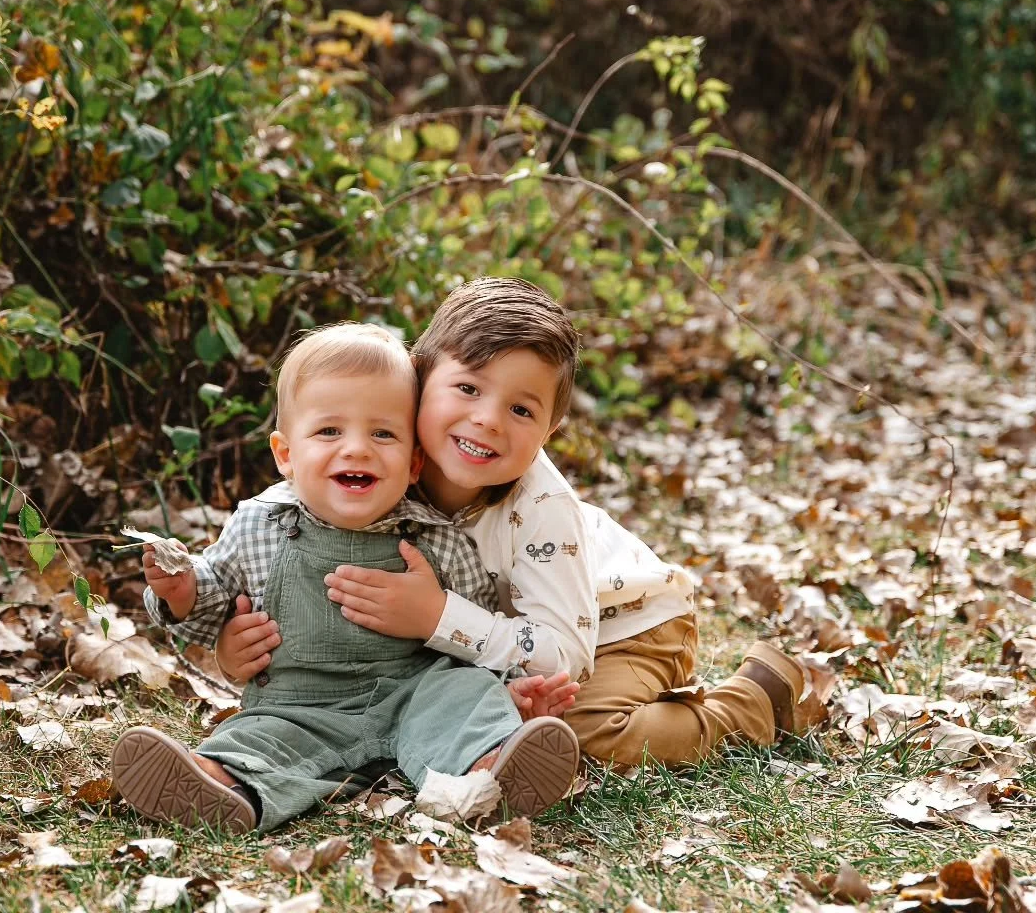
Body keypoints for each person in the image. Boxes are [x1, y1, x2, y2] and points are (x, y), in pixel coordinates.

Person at [202, 278, 822, 770]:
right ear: (420, 379)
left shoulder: (540, 508)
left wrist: (436, 616)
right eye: (467, 387)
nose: (489, 420)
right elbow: (292, 531)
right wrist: (235, 652)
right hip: (492, 645)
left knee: (581, 737)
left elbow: (563, 657)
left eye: (522, 408)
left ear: (551, 429)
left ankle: (754, 700)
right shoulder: (375, 456)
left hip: (622, 624)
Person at [115, 322, 579, 833]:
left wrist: (510, 690)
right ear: (286, 454)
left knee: (463, 696)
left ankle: (488, 771)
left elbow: (474, 637)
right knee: (259, 736)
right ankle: (221, 784)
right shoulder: (259, 524)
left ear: (414, 462)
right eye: (329, 431)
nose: (357, 449)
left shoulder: (440, 537)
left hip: (416, 696)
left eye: (383, 433)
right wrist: (183, 591)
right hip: (301, 706)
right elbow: (216, 596)